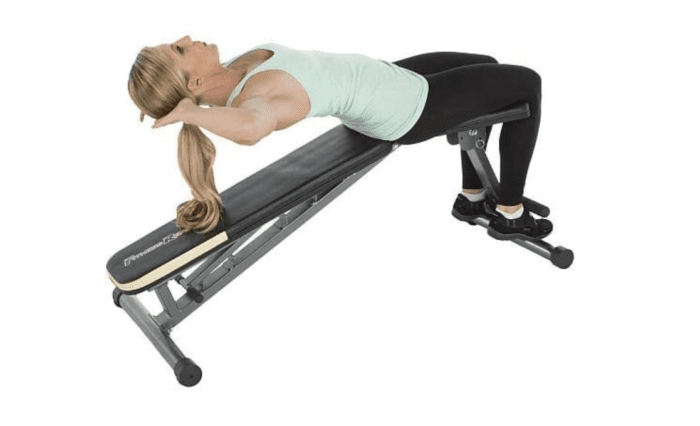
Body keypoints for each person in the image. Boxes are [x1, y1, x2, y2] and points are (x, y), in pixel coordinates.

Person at [128, 35, 552, 241]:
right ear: (196, 80)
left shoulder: (234, 71)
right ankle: (510, 214)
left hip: (390, 79)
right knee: (525, 84)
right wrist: (189, 113)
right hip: (410, 107)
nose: (184, 38)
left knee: (488, 65)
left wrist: (192, 106)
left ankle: (473, 197)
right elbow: (252, 128)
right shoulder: (260, 99)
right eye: (178, 50)